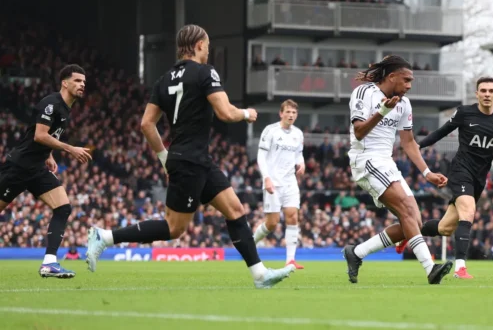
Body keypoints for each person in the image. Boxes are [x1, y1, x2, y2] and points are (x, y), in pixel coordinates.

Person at [86, 24, 295, 289]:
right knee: (174, 228)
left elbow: (146, 124)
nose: (208, 52)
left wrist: (163, 157)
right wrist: (246, 113)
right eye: (207, 46)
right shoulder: (205, 72)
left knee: (235, 209)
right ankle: (104, 237)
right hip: (190, 160)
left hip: (193, 158)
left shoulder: (164, 79)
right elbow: (225, 113)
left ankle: (259, 275)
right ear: (198, 45)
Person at [341, 55, 453, 284]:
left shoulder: (404, 103)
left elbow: (409, 142)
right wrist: (381, 112)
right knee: (407, 210)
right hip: (366, 159)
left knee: (413, 222)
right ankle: (430, 269)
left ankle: (356, 253)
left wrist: (427, 173)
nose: (409, 86)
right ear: (391, 77)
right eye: (406, 80)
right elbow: (359, 131)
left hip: (385, 162)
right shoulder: (364, 93)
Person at [396, 76, 493, 279]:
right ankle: (460, 268)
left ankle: (409, 232)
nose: (487, 94)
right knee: (468, 212)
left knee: (445, 227)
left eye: (490, 91)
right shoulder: (465, 113)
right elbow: (442, 132)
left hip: (479, 178)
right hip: (460, 171)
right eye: (483, 90)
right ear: (476, 94)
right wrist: (418, 146)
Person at [0, 64, 92, 278]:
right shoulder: (51, 104)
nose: (82, 85)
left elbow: (44, 135)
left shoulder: (66, 108)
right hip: (19, 167)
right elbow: (39, 135)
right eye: (77, 81)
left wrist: (49, 155)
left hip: (36, 168)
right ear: (65, 82)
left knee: (63, 207)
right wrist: (70, 149)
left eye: (84, 82)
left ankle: (50, 262)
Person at [252, 99, 306, 269]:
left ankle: (290, 260)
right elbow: (261, 156)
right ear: (281, 113)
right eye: (288, 112)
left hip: (290, 182)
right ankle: (250, 244)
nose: (291, 115)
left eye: (294, 113)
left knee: (292, 216)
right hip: (273, 182)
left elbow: (298, 154)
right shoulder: (270, 131)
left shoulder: (298, 133)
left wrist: (302, 163)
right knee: (272, 223)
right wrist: (266, 177)